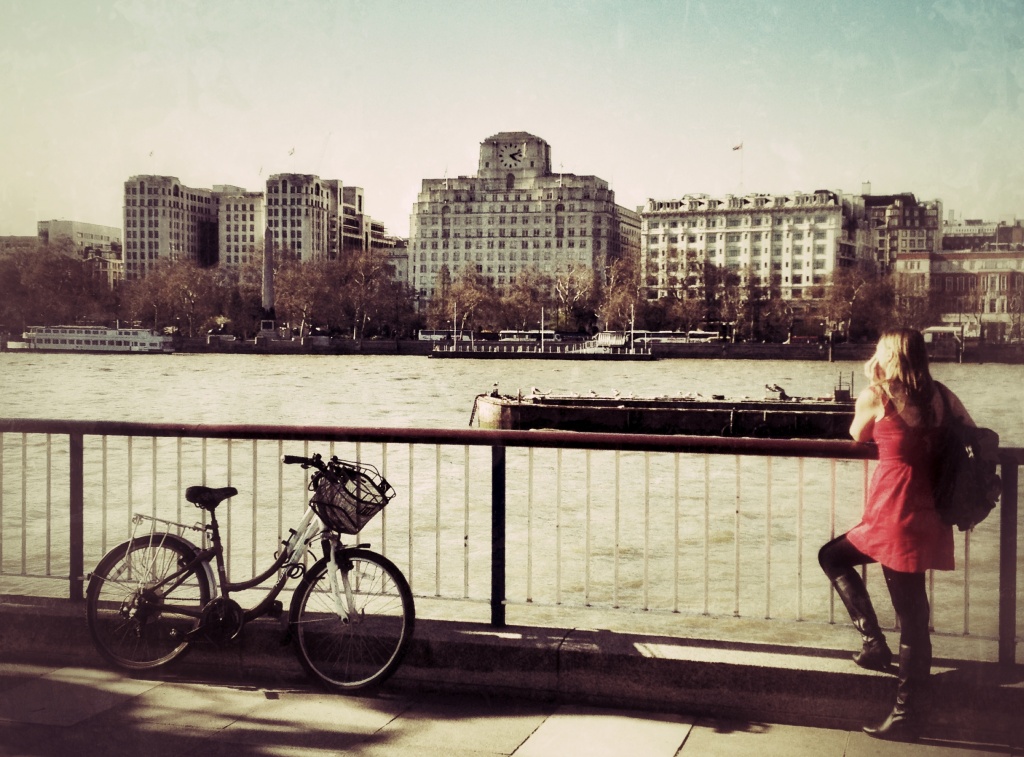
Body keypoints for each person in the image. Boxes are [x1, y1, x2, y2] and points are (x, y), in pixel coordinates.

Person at [817, 328, 975, 742]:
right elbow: (970, 431)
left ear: (891, 355)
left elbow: (857, 434)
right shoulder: (943, 396)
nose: (874, 354)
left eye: (879, 350)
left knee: (910, 615)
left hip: (894, 514)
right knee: (908, 607)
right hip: (929, 514)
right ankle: (876, 650)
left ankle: (905, 711)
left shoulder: (879, 394)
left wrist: (872, 381)